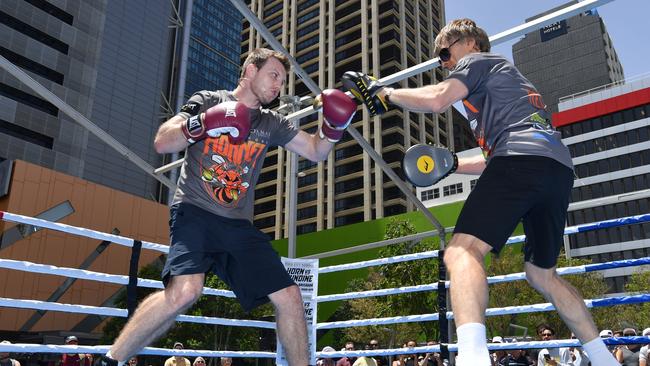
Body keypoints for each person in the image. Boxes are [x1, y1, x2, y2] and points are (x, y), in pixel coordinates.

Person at [342, 18, 618, 366]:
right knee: (541, 274)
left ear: (469, 41)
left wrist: (385, 94)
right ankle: (604, 358)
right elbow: (497, 162)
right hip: (556, 170)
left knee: (461, 253)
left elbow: (439, 100)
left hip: (521, 160)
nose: (444, 63)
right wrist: (454, 163)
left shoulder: (478, 61)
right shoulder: (507, 85)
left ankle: (473, 358)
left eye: (445, 52)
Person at [96, 48, 357, 366]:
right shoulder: (208, 100)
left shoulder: (271, 123)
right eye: (274, 75)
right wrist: (205, 122)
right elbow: (163, 142)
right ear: (250, 70)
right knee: (185, 291)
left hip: (237, 226)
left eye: (283, 81)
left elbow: (316, 151)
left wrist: (333, 127)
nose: (278, 86)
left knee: (290, 297)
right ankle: (111, 359)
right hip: (195, 212)